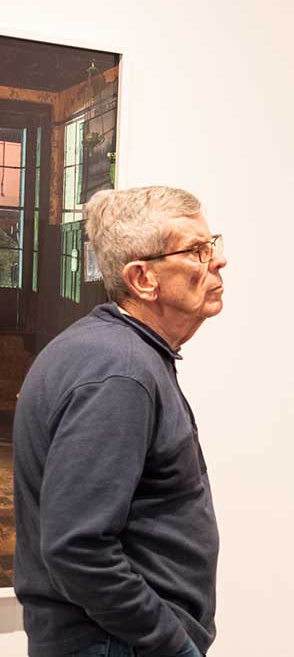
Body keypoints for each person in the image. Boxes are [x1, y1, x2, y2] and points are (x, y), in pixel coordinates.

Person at [13, 186, 227, 657]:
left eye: (212, 244)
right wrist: (173, 644)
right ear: (143, 279)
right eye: (196, 250)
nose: (217, 261)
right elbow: (77, 547)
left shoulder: (117, 354)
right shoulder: (119, 372)